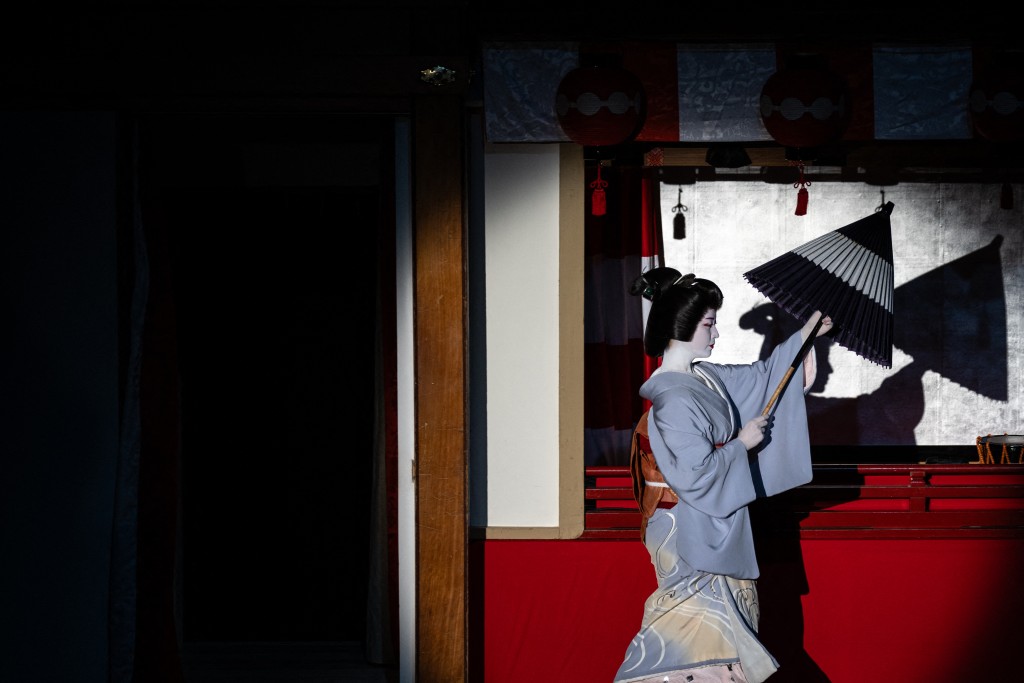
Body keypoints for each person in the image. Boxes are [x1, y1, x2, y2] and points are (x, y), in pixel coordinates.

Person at [614, 267, 833, 683]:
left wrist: (807, 333)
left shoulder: (705, 378)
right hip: (686, 526)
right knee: (689, 632)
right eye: (708, 324)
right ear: (681, 327)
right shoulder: (673, 397)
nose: (715, 336)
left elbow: (767, 380)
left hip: (711, 518)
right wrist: (742, 445)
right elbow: (695, 474)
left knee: (720, 638)